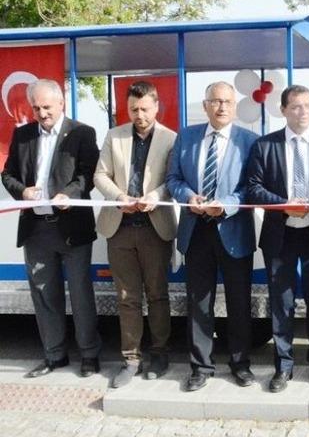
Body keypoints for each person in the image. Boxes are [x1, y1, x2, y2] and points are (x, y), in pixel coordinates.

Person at [1, 79, 101, 378]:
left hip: (72, 228)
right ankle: (54, 356)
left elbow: (88, 174)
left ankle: (89, 356)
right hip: (36, 229)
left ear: (61, 104)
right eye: (36, 107)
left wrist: (69, 194)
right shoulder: (22, 135)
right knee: (44, 295)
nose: (42, 113)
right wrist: (23, 192)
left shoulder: (82, 133)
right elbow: (7, 175)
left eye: (46, 107)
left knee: (81, 295)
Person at [245, 85, 309, 392]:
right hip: (280, 235)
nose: (303, 112)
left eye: (308, 106)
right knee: (281, 305)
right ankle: (283, 367)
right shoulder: (265, 146)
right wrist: (283, 202)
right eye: (296, 107)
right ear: (283, 110)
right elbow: (254, 188)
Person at [166, 81, 258, 392]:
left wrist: (228, 205)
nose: (221, 107)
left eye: (227, 102)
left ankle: (240, 364)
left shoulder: (249, 141)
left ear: (235, 106)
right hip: (195, 230)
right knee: (198, 303)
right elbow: (173, 178)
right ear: (205, 105)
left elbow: (251, 186)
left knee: (239, 303)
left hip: (233, 231)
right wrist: (188, 195)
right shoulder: (187, 137)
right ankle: (200, 367)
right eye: (215, 101)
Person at [93, 81, 177, 388]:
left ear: (156, 107)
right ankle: (130, 358)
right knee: (127, 298)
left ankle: (160, 353)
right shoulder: (114, 136)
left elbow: (174, 178)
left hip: (155, 227)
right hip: (120, 228)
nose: (139, 114)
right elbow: (99, 174)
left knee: (157, 295)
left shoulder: (171, 138)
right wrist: (118, 197)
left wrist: (154, 195)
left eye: (144, 108)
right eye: (133, 109)